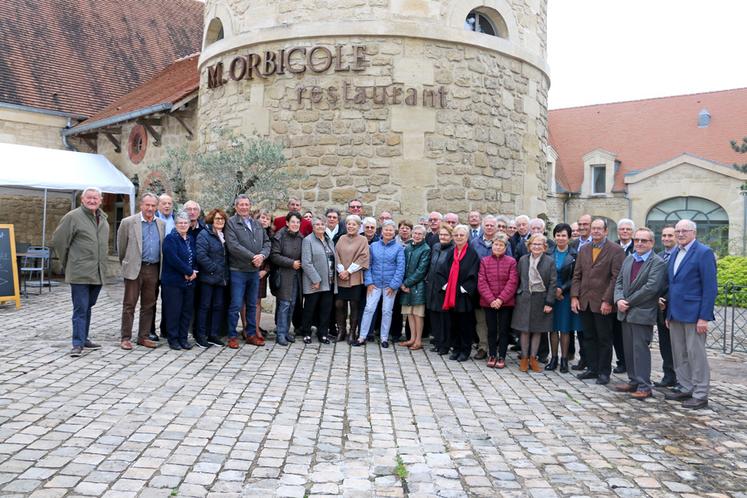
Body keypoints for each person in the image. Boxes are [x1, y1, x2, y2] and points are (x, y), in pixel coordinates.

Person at [663, 219, 717, 410]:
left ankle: (701, 394)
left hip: (694, 315)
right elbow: (673, 285)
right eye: (677, 231)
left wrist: (704, 317)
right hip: (675, 313)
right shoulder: (676, 252)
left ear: (694, 232)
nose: (680, 234)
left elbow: (710, 288)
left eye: (684, 231)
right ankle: (686, 387)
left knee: (696, 355)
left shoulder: (703, 253)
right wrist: (668, 313)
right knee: (679, 354)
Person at [51, 187, 109, 357]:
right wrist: (67, 262)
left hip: (98, 273)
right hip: (79, 272)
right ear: (82, 199)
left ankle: (84, 338)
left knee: (88, 306)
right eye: (89, 198)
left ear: (101, 200)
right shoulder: (73, 217)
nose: (92, 201)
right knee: (81, 308)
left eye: (95, 198)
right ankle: (77, 343)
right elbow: (59, 240)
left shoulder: (103, 218)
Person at [613, 227, 667, 400]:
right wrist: (618, 299)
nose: (640, 243)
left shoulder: (657, 262)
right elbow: (619, 282)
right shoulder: (629, 258)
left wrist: (628, 302)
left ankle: (644, 386)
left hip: (642, 313)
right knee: (628, 349)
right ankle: (634, 381)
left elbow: (651, 288)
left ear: (652, 243)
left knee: (640, 350)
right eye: (637, 240)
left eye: (644, 240)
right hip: (625, 312)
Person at [571, 218, 625, 385]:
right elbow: (577, 275)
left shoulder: (616, 250)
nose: (595, 231)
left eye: (598, 229)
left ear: (606, 231)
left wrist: (608, 300)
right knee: (588, 337)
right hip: (585, 301)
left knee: (604, 339)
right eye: (593, 228)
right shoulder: (584, 249)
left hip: (603, 303)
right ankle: (592, 368)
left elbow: (616, 278)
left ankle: (603, 372)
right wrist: (574, 296)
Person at [117, 192, 166, 350]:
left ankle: (143, 336)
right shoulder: (128, 222)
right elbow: (121, 248)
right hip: (134, 268)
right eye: (147, 205)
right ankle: (125, 337)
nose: (150, 208)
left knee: (149, 305)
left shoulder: (161, 224)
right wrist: (127, 263)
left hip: (153, 269)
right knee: (129, 304)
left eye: (153, 205)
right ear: (141, 205)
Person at [225, 195, 271, 349]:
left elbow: (267, 242)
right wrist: (253, 257)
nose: (244, 207)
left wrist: (262, 256)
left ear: (250, 206)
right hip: (238, 270)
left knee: (252, 304)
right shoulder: (231, 223)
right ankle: (232, 336)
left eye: (246, 204)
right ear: (236, 207)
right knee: (236, 304)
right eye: (241, 205)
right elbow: (233, 245)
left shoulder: (256, 224)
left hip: (253, 272)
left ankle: (250, 334)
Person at [354, 220, 405, 348]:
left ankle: (384, 338)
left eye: (391, 230)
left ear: (394, 233)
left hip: (389, 286)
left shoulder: (398, 248)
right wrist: (369, 282)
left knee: (387, 311)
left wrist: (394, 285)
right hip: (375, 284)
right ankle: (362, 336)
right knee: (369, 309)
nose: (388, 232)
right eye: (386, 230)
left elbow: (400, 268)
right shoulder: (373, 246)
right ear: (382, 231)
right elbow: (368, 265)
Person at [512, 234, 556, 373]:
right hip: (524, 298)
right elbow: (517, 278)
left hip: (541, 299)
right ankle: (524, 358)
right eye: (534, 244)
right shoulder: (523, 260)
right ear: (529, 246)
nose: (536, 247)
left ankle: (533, 358)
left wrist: (549, 302)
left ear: (544, 247)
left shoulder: (549, 261)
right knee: (524, 330)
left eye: (539, 244)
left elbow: (553, 283)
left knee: (537, 330)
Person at [438, 224, 480, 362]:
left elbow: (474, 273)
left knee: (465, 325)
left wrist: (463, 288)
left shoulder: (472, 253)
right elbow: (442, 270)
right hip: (450, 293)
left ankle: (465, 350)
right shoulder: (451, 252)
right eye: (456, 235)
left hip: (463, 295)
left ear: (467, 237)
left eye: (462, 235)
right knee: (453, 324)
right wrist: (446, 285)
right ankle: (456, 348)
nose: (459, 237)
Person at [477, 233, 518, 368]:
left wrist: (500, 299)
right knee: (492, 329)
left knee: (504, 330)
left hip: (505, 302)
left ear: (505, 247)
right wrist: (491, 299)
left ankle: (502, 356)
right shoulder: (484, 261)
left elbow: (512, 282)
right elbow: (482, 282)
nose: (498, 247)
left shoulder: (511, 262)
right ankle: (492, 354)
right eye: (496, 244)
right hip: (489, 302)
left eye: (501, 245)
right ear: (492, 246)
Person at [161, 211, 198, 350]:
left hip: (189, 282)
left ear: (189, 224)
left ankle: (183, 338)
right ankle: (173, 339)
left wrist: (194, 271)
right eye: (180, 223)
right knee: (173, 311)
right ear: (175, 224)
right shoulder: (170, 239)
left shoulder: (190, 239)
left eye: (185, 223)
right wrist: (188, 271)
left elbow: (194, 257)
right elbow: (173, 259)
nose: (183, 225)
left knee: (186, 311)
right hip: (173, 282)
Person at [548, 223, 581, 373]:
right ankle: (553, 358)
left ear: (569, 237)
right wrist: (554, 290)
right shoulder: (548, 253)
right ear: (554, 236)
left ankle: (564, 360)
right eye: (558, 235)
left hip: (566, 296)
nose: (560, 238)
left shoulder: (575, 255)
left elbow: (576, 276)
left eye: (563, 235)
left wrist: (562, 289)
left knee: (565, 329)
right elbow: (545, 273)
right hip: (551, 294)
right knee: (552, 329)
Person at [195, 208, 230, 348]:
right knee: (204, 307)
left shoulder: (223, 235)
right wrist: (215, 269)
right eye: (217, 219)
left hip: (221, 279)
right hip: (208, 277)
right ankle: (200, 335)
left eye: (222, 219)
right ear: (211, 220)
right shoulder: (205, 234)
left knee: (217, 307)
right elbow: (201, 256)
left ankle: (213, 335)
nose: (220, 221)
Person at [301, 217, 338, 344]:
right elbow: (306, 262)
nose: (320, 226)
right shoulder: (308, 240)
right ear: (313, 226)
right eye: (317, 224)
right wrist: (315, 279)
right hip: (314, 282)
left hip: (329, 281)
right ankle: (306, 332)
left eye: (323, 224)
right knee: (310, 309)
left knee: (325, 309)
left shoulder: (329, 241)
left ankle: (323, 333)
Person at [270, 211, 304, 346]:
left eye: (297, 222)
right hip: (283, 275)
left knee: (292, 305)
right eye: (293, 222)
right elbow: (274, 256)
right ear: (287, 223)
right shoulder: (279, 236)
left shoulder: (301, 237)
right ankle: (280, 334)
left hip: (296, 276)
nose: (295, 224)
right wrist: (291, 263)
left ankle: (286, 332)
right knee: (284, 305)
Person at [334, 215, 369, 343]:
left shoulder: (363, 240)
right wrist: (341, 270)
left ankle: (352, 333)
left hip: (354, 276)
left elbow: (364, 257)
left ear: (359, 227)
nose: (351, 226)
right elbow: (336, 254)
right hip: (341, 276)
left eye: (354, 224)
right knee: (339, 304)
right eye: (349, 224)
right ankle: (341, 331)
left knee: (354, 305)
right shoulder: (342, 238)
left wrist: (348, 271)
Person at [398, 225, 431, 350]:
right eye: (415, 233)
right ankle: (411, 338)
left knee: (418, 314)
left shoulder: (426, 249)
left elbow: (421, 271)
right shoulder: (408, 247)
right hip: (406, 285)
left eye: (419, 234)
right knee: (409, 314)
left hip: (418, 286)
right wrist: (402, 283)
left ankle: (418, 340)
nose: (417, 236)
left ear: (423, 236)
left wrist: (406, 283)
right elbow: (403, 266)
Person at [149, 193, 176, 341]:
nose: (167, 206)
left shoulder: (176, 219)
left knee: (169, 299)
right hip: (155, 264)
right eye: (164, 203)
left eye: (169, 203)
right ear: (158, 205)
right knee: (151, 299)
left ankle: (166, 329)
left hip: (171, 266)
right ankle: (150, 329)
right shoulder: (153, 220)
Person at [611, 218, 636, 374]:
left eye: (627, 229)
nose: (624, 232)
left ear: (632, 232)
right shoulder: (613, 247)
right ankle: (621, 361)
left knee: (633, 333)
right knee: (617, 332)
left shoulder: (638, 246)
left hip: (633, 297)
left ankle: (633, 362)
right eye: (622, 229)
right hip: (615, 295)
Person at [654, 225, 678, 387]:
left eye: (670, 235)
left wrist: (666, 298)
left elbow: (679, 283)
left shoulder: (681, 255)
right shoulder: (659, 256)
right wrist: (656, 298)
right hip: (660, 307)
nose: (667, 238)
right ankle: (668, 375)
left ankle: (681, 377)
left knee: (678, 344)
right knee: (664, 343)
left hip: (675, 306)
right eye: (664, 235)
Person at [426, 223, 454, 355]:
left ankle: (445, 344)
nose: (442, 237)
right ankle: (437, 341)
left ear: (451, 236)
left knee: (445, 318)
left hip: (444, 287)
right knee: (434, 315)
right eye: (441, 234)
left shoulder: (453, 250)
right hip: (432, 285)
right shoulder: (436, 247)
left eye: (445, 235)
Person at [253, 208, 274, 336]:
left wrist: (265, 271)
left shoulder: (271, 236)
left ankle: (256, 328)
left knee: (257, 302)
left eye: (267, 218)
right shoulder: (251, 233)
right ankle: (247, 329)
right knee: (246, 301)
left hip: (262, 273)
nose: (264, 220)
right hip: (249, 270)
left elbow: (272, 256)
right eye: (262, 217)